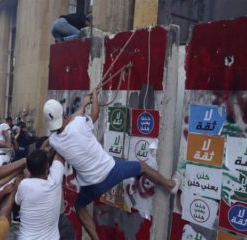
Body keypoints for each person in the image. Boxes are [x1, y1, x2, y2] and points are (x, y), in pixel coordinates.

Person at [43, 89, 180, 240]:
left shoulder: (54, 140)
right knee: (142, 167)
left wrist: (82, 105)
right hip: (112, 171)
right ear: (63, 113)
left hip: (92, 185)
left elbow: (70, 122)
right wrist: (94, 97)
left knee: (79, 206)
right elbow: (95, 113)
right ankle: (170, 185)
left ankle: (96, 238)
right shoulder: (79, 124)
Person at [15, 150, 65, 240]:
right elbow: (60, 156)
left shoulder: (23, 184)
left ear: (28, 168)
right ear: (47, 166)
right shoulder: (55, 181)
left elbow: (18, 201)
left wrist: (19, 184)